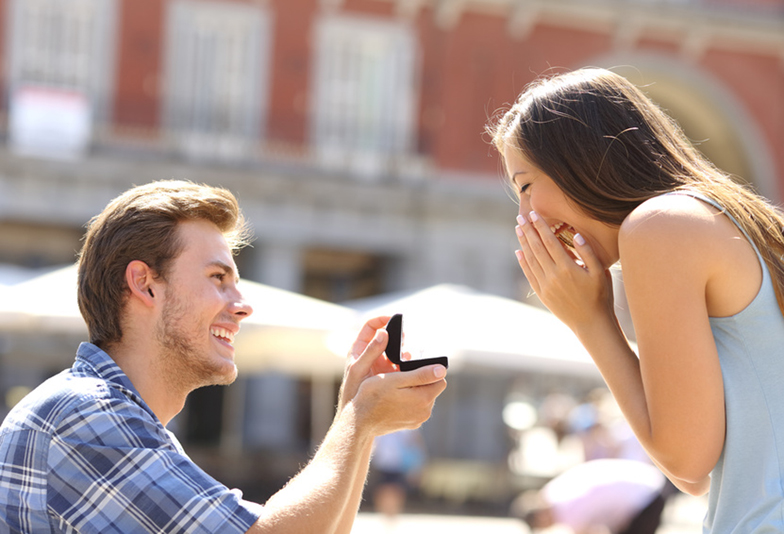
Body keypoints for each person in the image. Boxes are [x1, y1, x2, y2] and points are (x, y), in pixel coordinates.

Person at [0, 180, 448, 533]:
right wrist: (357, 419)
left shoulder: (116, 419)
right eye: (218, 277)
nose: (242, 303)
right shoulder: (86, 416)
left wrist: (359, 413)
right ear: (145, 284)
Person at [488, 68, 784, 532]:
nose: (525, 217)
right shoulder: (725, 220)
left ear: (581, 161)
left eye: (525, 186)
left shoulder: (660, 227)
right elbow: (697, 470)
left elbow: (688, 462)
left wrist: (591, 322)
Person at [510, 458, 668, 534]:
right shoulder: (552, 491)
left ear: (541, 517)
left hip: (645, 497)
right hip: (645, 482)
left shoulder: (567, 511)